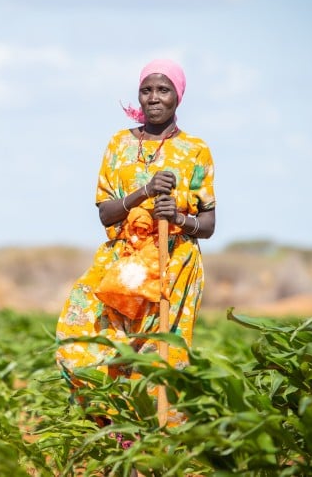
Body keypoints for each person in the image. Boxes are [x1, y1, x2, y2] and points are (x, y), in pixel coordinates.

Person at [55, 58, 216, 427]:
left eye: (163, 90)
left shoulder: (195, 150)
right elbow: (105, 214)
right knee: (77, 340)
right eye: (147, 90)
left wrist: (176, 217)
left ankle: (152, 446)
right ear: (138, 96)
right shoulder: (119, 144)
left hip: (173, 264)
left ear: (178, 97)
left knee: (156, 354)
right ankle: (112, 428)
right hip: (122, 261)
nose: (154, 98)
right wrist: (144, 192)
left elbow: (207, 224)